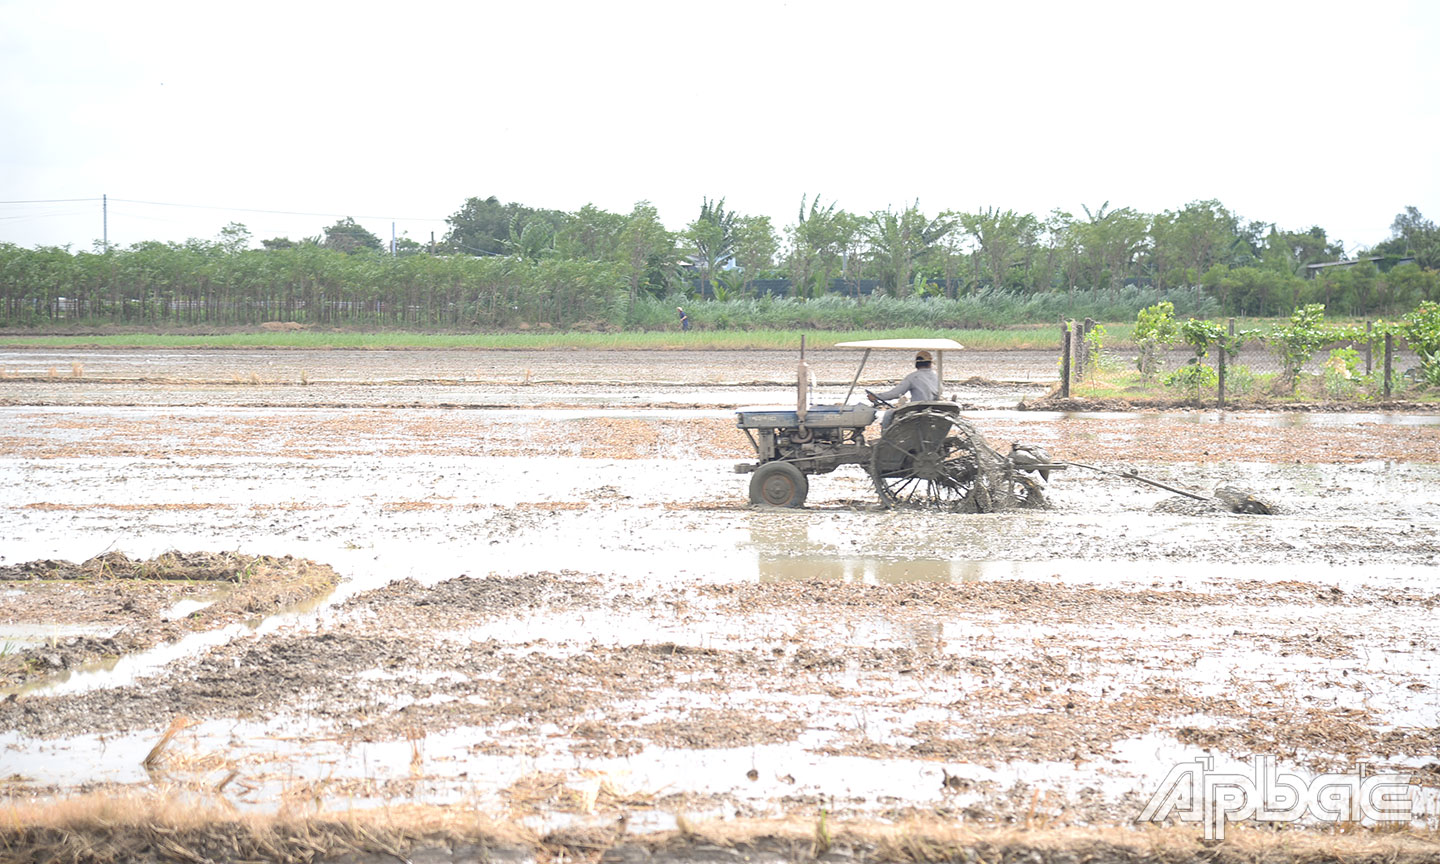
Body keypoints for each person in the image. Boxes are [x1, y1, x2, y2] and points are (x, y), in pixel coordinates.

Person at [866, 350, 940, 428]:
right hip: (933, 410)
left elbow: (895, 394)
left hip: (918, 411)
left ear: (916, 364)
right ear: (930, 364)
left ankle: (885, 437)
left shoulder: (913, 377)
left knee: (888, 413)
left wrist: (877, 396)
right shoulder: (936, 377)